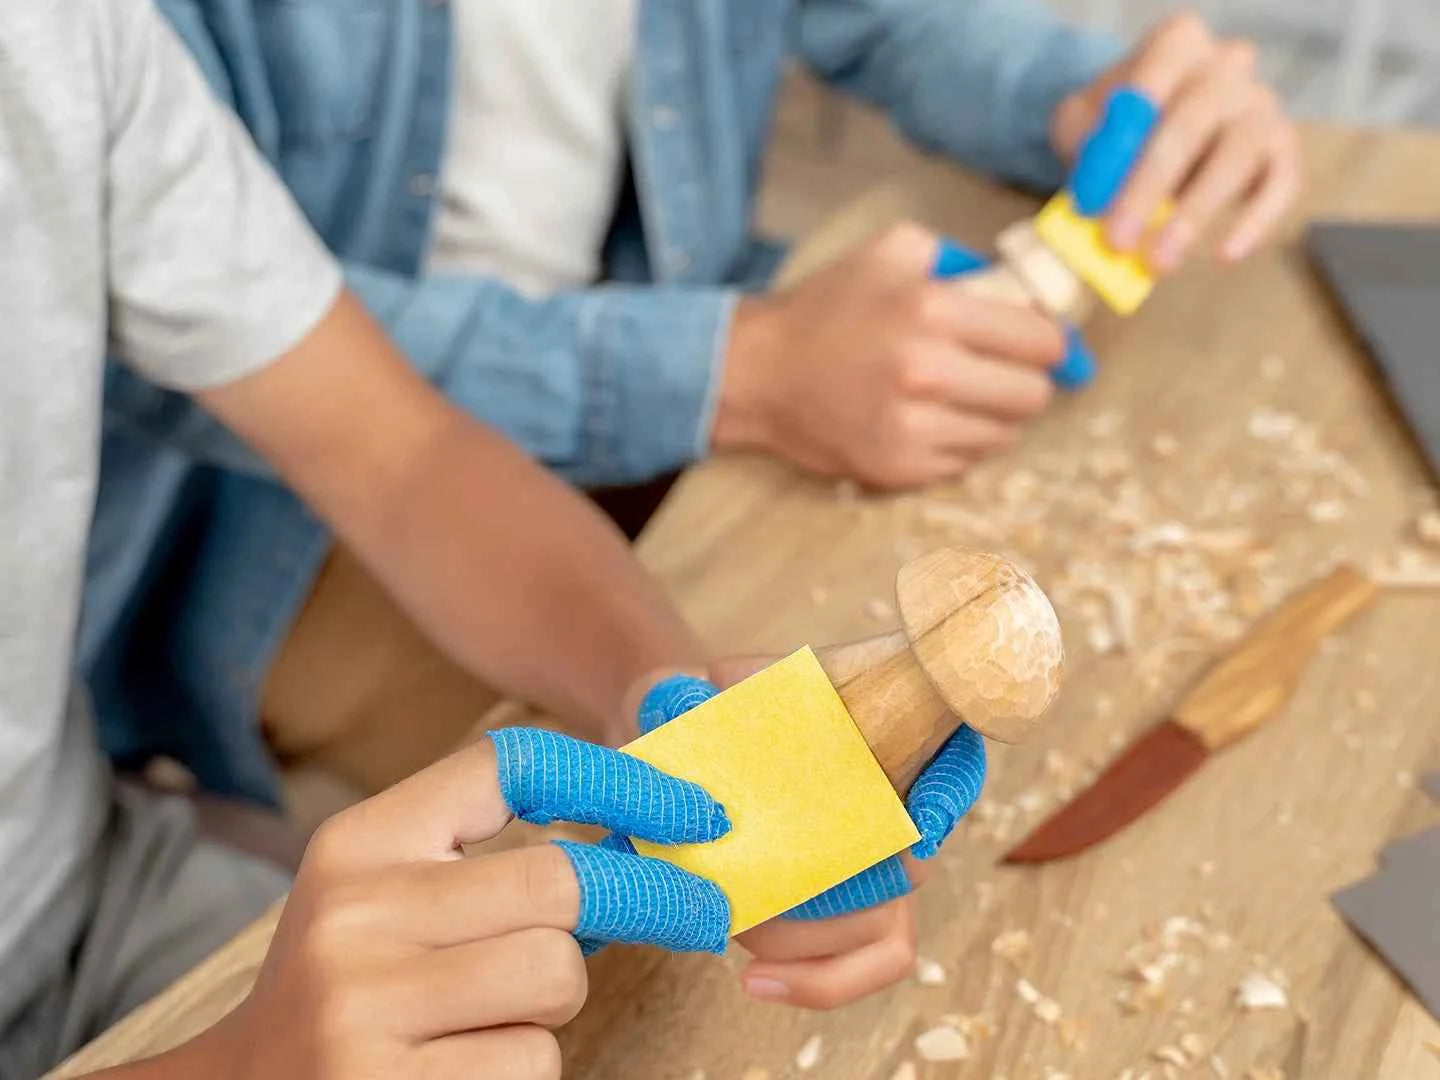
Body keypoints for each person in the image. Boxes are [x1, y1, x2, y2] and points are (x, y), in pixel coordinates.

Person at [0, 2, 987, 1074]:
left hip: (92, 890)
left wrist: (672, 712)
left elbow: (399, 455)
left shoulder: (60, 38)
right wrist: (244, 1064)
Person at [79, 0, 1301, 806]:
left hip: (624, 388)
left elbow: (892, 20)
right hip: (270, 530)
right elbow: (181, 335)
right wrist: (741, 373)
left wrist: (1073, 100)